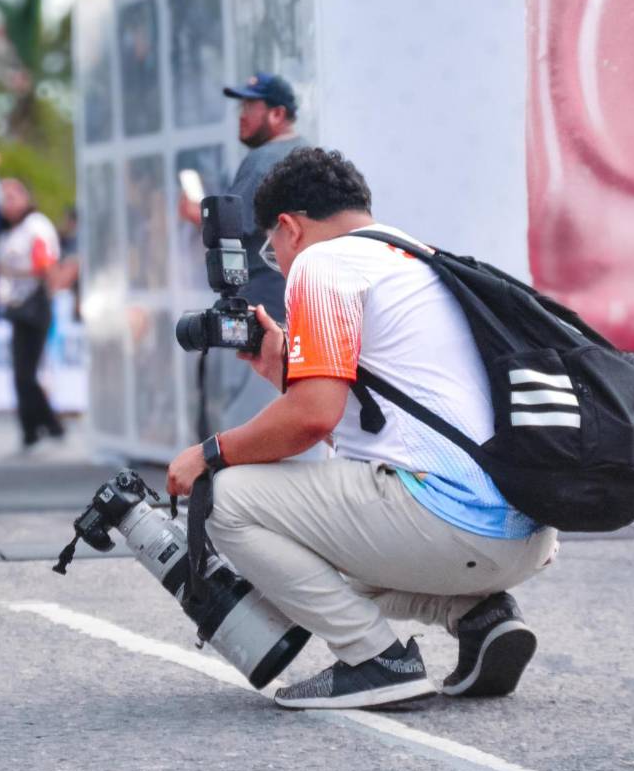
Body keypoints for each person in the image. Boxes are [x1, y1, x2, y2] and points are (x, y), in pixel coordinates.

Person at [166, 148, 558, 710]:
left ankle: (376, 658)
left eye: (271, 248)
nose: (275, 260)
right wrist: (283, 367)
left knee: (225, 499)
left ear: (289, 227)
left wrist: (208, 454)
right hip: (525, 529)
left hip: (452, 525)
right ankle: (479, 613)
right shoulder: (417, 258)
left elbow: (312, 417)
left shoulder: (322, 267)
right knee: (313, 539)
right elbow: (363, 429)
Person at [177, 73, 310, 435]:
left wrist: (196, 214)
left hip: (260, 311)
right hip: (300, 309)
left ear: (278, 114)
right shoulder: (310, 154)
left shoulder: (263, 159)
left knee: (244, 424)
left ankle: (232, 491)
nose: (242, 114)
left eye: (251, 105)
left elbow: (230, 229)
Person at [0, 178, 65, 450]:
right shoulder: (6, 231)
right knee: (21, 372)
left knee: (25, 372)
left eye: (13, 196)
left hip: (33, 303)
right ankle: (37, 426)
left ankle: (44, 425)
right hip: (15, 306)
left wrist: (11, 272)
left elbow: (45, 265)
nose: (7, 203)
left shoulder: (35, 226)